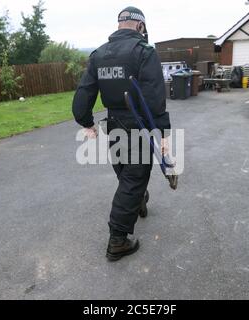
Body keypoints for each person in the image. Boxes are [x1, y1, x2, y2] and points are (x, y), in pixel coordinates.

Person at [72, 6, 171, 262]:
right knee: (134, 177)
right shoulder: (144, 52)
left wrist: (86, 121)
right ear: (140, 26)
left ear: (119, 25)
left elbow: (84, 93)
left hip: (113, 123)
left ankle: (137, 200)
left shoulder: (98, 54)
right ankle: (117, 240)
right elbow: (154, 98)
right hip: (136, 123)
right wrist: (163, 133)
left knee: (126, 173)